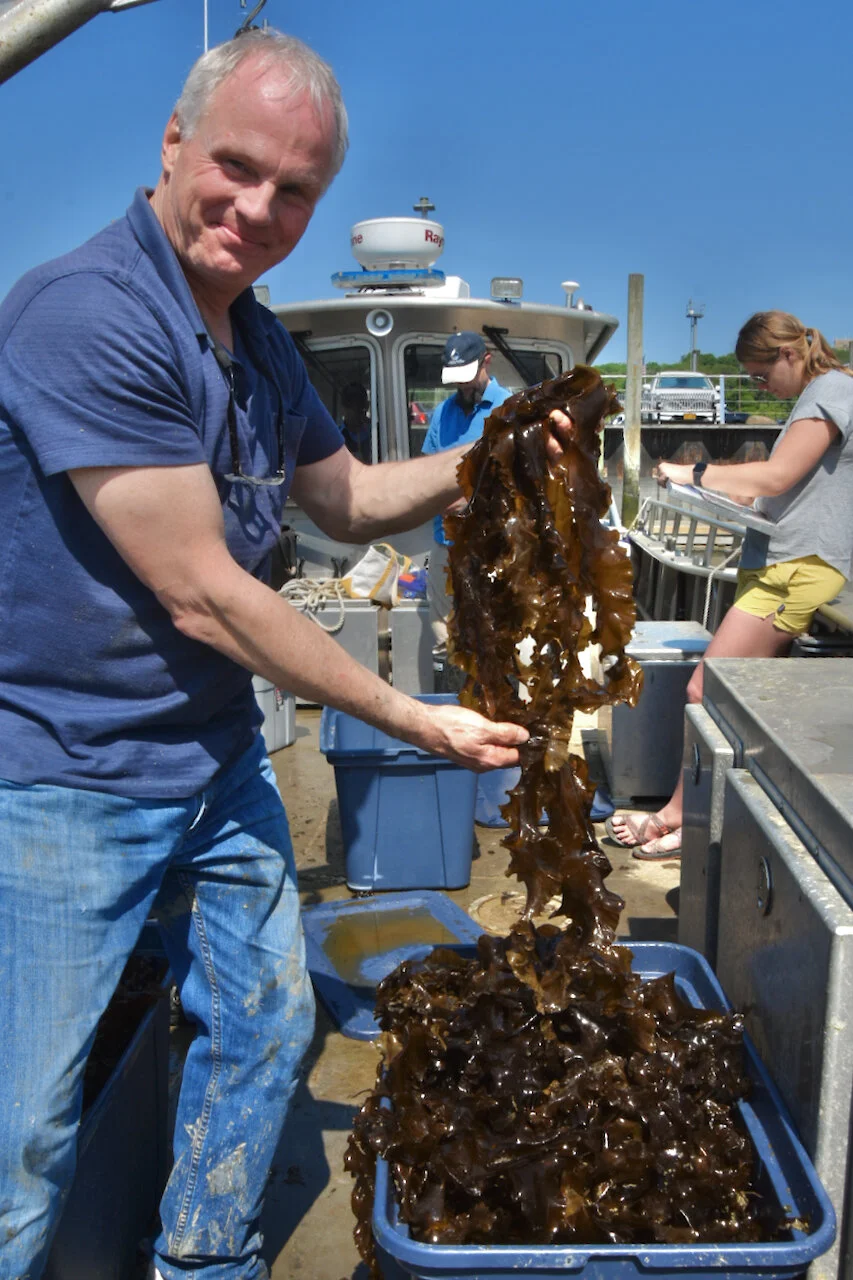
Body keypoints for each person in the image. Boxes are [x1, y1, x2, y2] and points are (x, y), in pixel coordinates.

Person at [0, 30, 574, 1280]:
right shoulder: (89, 313)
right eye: (237, 166)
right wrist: (409, 714)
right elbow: (204, 591)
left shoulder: (255, 339)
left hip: (209, 759)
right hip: (59, 776)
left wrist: (499, 457)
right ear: (172, 143)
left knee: (264, 1025)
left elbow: (352, 499)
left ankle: (203, 1261)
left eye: (295, 189)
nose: (258, 208)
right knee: (21, 1130)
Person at [607, 311, 853, 860]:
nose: (760, 387)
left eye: (761, 377)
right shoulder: (818, 393)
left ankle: (679, 816)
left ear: (788, 355)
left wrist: (692, 475)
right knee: (742, 700)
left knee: (705, 689)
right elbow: (785, 489)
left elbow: (776, 476)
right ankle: (709, 812)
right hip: (783, 562)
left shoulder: (830, 391)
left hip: (800, 569)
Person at [421, 331, 512, 652]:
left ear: (486, 361)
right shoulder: (442, 413)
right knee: (448, 637)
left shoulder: (510, 410)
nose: (462, 386)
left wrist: (474, 500)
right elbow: (427, 468)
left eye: (467, 378)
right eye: (455, 379)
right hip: (445, 544)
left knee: (494, 636)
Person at [339, 379, 372, 462]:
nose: (356, 415)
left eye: (360, 409)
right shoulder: (336, 438)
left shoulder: (376, 434)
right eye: (351, 407)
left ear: (366, 406)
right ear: (344, 408)